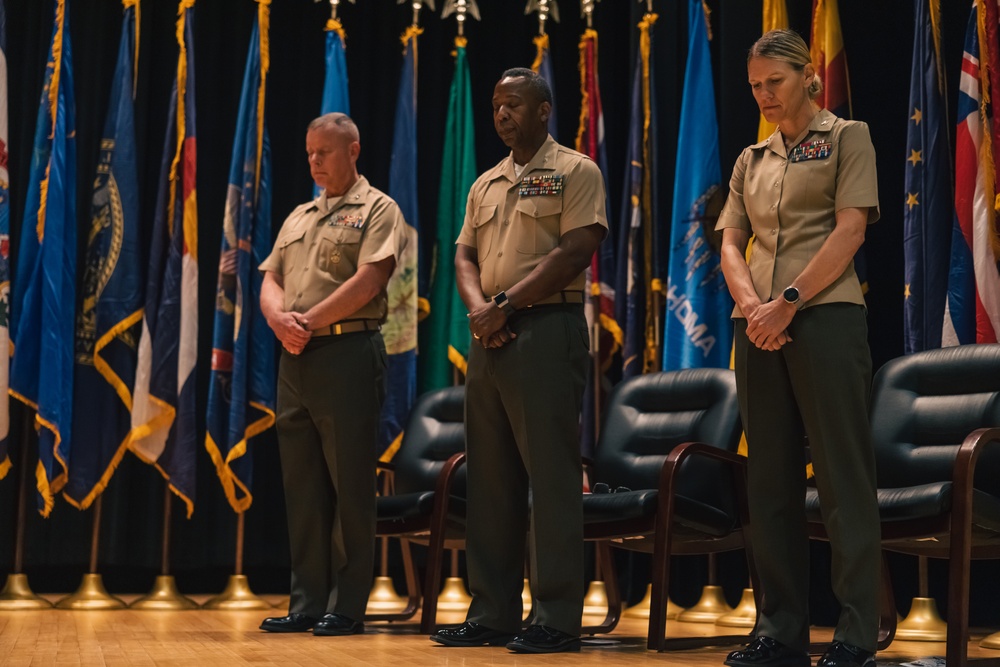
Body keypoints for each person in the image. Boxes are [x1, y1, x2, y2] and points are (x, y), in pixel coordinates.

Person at [429, 68, 607, 654]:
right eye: (496, 105)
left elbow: (576, 249)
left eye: (513, 105)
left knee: (551, 479)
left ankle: (556, 616)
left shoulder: (576, 170)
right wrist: (483, 310)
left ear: (543, 110)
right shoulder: (485, 183)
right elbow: (462, 256)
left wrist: (504, 305)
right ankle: (494, 611)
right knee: (492, 479)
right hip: (491, 335)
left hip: (546, 329)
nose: (502, 114)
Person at [716, 30, 880, 667]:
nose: (763, 96)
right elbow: (731, 241)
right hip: (755, 324)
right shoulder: (749, 159)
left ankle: (856, 630)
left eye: (773, 83)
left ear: (806, 75)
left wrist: (787, 299)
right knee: (771, 479)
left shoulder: (848, 137)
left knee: (841, 476)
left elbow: (852, 227)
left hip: (826, 316)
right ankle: (780, 630)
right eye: (754, 86)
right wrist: (756, 307)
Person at [258, 112, 400, 637]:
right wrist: (278, 319)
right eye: (309, 152)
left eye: (325, 151)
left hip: (346, 353)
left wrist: (306, 323)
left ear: (353, 150)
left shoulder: (379, 209)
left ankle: (347, 603)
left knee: (349, 484)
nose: (315, 161)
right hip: (295, 359)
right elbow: (271, 277)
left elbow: (370, 280)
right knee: (302, 484)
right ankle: (306, 601)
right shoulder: (298, 216)